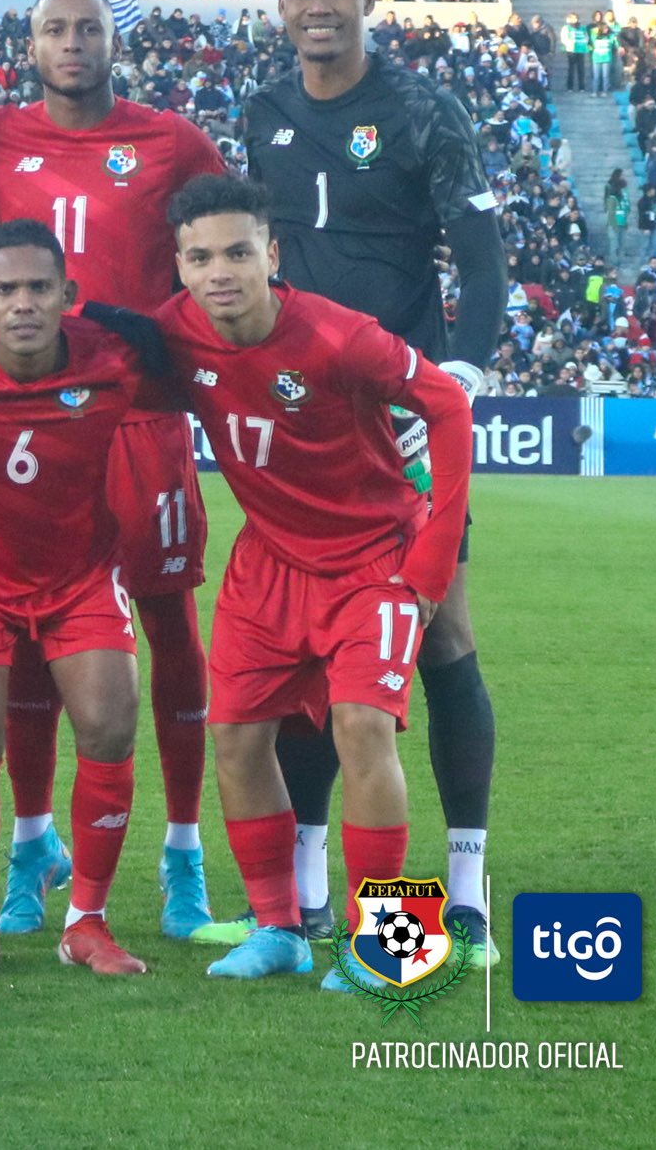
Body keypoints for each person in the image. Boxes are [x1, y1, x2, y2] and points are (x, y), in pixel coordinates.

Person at [235, 0, 505, 967]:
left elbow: (480, 258)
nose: (318, 6)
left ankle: (464, 892)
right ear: (280, 7)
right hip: (303, 421)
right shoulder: (262, 111)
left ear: (366, 0)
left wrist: (459, 376)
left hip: (402, 420)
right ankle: (305, 890)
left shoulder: (425, 110)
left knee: (442, 640)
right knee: (308, 652)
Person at [0, 0, 228, 940]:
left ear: (116, 43)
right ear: (30, 46)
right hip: (33, 425)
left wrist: (168, 332)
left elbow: (221, 243)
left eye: (89, 28)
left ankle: (184, 853)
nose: (72, 42)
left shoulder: (172, 141)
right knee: (30, 631)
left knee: (170, 629)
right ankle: (33, 845)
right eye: (54, 29)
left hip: (140, 422)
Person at [153, 175, 471, 987]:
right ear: (180, 266)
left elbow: (448, 405)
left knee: (361, 728)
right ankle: (280, 929)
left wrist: (434, 555)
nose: (219, 271)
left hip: (371, 560)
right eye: (200, 257)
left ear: (272, 253)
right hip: (268, 561)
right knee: (235, 738)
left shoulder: (339, 337)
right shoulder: (175, 331)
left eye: (237, 252)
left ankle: (387, 946)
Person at [0, 220, 165, 979]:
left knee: (110, 727)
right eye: (6, 289)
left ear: (67, 294)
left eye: (39, 288)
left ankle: (87, 923)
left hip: (79, 575)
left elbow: (207, 372)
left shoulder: (112, 361)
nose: (23, 303)